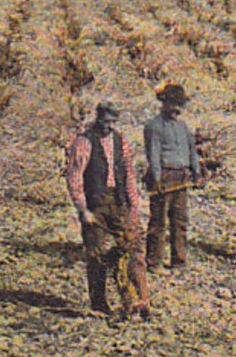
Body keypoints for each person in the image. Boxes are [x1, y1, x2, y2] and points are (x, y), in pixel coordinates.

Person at [66, 102, 150, 319]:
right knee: (97, 253)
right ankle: (99, 303)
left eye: (113, 122)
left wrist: (134, 205)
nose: (109, 126)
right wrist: (83, 209)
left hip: (119, 201)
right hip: (96, 204)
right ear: (98, 119)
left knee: (133, 248)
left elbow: (129, 174)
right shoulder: (83, 142)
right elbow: (74, 177)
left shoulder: (121, 141)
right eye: (106, 121)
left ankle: (140, 299)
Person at [142, 82, 201, 271]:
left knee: (180, 221)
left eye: (179, 104)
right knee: (158, 223)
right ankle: (153, 262)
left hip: (181, 178)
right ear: (164, 103)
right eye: (172, 103)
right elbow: (153, 154)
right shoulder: (154, 126)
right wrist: (157, 178)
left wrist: (196, 171)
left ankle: (179, 260)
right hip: (164, 178)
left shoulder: (183, 127)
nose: (176, 108)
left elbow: (192, 150)